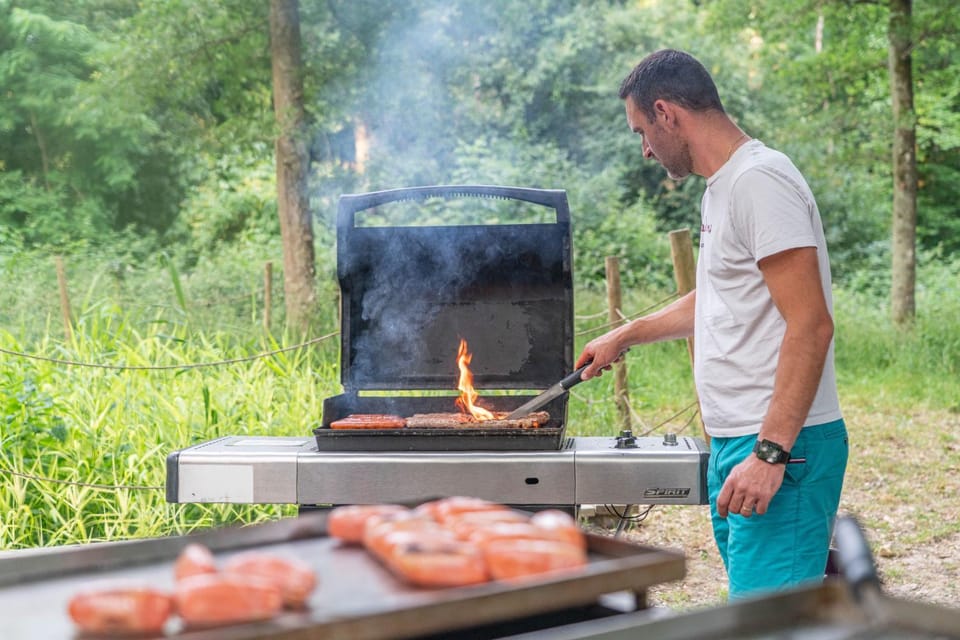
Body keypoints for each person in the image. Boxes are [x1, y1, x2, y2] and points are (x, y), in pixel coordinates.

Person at [576, 49, 848, 600]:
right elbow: (722, 295)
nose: (646, 150)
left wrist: (771, 453)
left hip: (778, 447)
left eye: (641, 132)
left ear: (665, 112)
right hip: (736, 441)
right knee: (756, 612)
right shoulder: (723, 186)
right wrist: (625, 334)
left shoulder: (760, 181)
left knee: (771, 626)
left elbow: (811, 324)